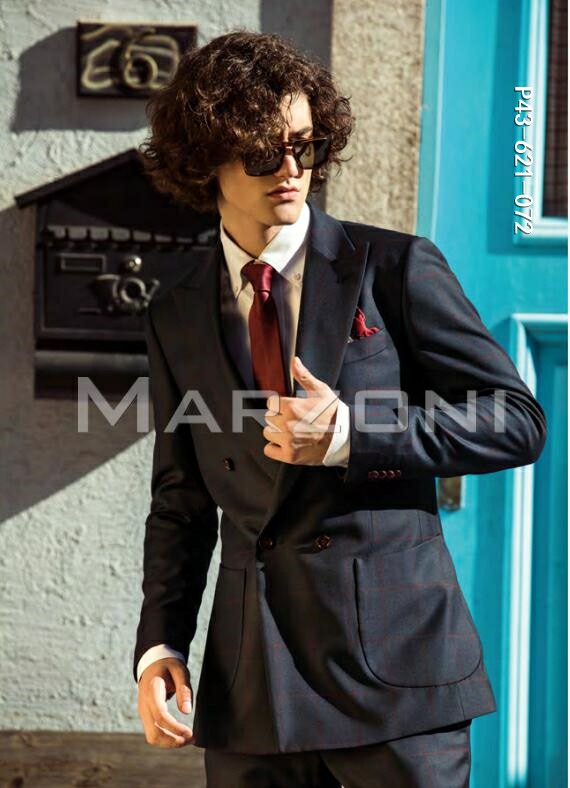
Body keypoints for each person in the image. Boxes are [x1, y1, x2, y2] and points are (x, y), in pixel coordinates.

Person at [132, 29, 547, 787]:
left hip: (397, 674)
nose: (292, 170)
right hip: (253, 683)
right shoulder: (175, 311)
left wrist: (355, 434)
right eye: (264, 152)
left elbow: (517, 420)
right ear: (206, 158)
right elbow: (181, 499)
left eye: (305, 145)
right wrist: (161, 644)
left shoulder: (394, 266)